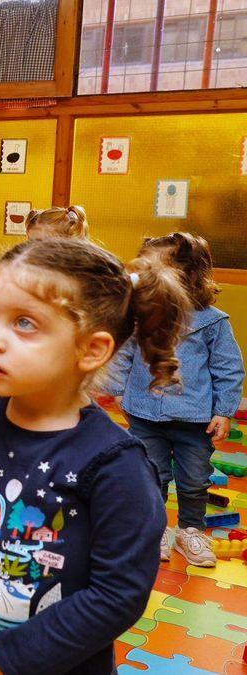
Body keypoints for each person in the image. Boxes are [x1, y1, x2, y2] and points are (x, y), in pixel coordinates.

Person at [0, 238, 185, 675]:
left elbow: (117, 594)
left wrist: (7, 660)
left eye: (24, 323)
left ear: (91, 349)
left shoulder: (116, 464)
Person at [107, 232, 244, 568]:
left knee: (194, 480)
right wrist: (118, 391)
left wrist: (224, 411)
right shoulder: (140, 317)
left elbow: (228, 368)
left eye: (157, 271)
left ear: (189, 275)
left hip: (194, 420)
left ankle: (190, 531)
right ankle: (153, 531)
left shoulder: (213, 322)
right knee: (150, 475)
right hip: (145, 415)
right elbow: (123, 354)